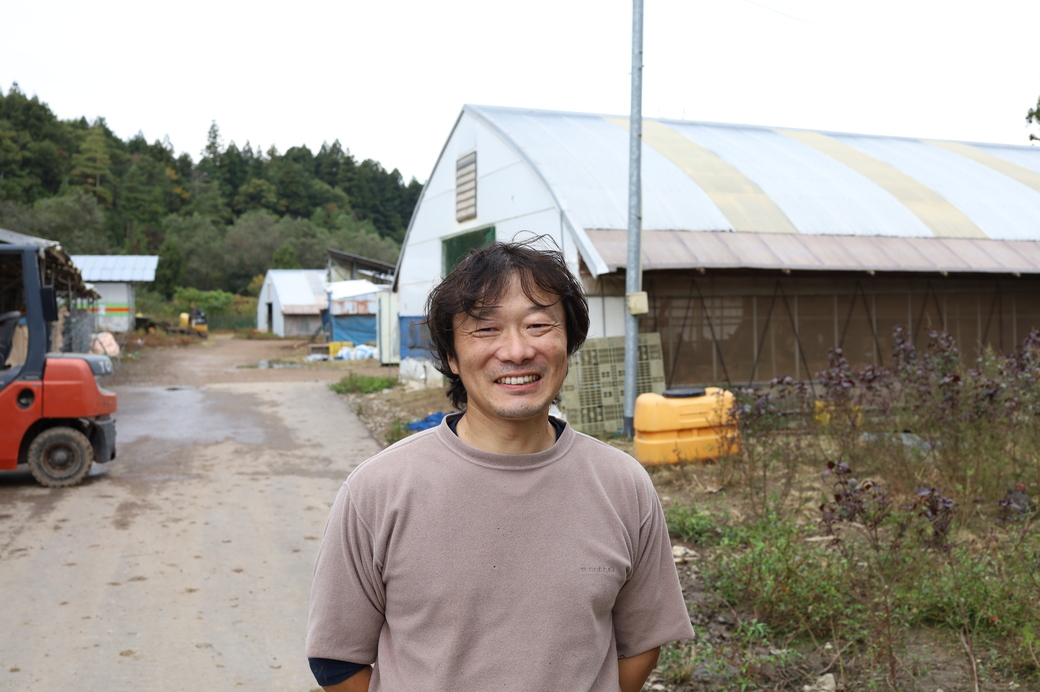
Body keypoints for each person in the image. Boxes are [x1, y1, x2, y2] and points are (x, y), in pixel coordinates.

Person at [306, 238, 693, 691]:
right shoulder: (378, 490)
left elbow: (642, 641)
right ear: (451, 355)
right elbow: (336, 659)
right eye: (486, 329)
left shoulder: (622, 484)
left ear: (568, 342)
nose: (516, 351)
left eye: (538, 324)